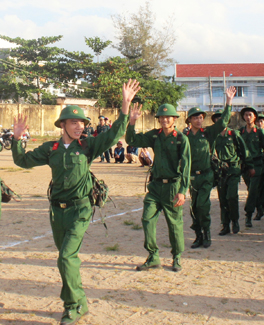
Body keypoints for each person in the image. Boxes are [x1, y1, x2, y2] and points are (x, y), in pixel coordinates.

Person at [11, 79, 140, 325]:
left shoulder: (88, 146)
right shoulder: (52, 149)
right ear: (63, 125)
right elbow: (22, 162)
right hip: (56, 212)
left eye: (82, 122)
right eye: (74, 122)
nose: (79, 126)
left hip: (80, 209)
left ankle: (72, 307)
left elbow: (114, 134)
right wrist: (17, 140)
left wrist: (125, 104)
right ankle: (80, 301)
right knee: (66, 259)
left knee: (66, 258)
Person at [126, 103, 191, 272]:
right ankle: (153, 256)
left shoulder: (181, 139)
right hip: (155, 186)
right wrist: (132, 122)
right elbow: (132, 140)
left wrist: (182, 191)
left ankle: (176, 257)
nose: (164, 120)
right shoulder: (155, 136)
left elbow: (186, 166)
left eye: (167, 117)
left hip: (172, 187)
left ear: (175, 119)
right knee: (147, 219)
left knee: (174, 224)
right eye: (161, 117)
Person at [184, 86, 235, 249]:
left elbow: (224, 121)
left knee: (202, 206)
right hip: (192, 178)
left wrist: (228, 101)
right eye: (195, 118)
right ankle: (198, 236)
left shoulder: (208, 133)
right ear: (189, 121)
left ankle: (207, 234)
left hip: (206, 176)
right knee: (193, 207)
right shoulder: (184, 137)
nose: (199, 120)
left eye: (201, 117)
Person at [213, 110, 254, 235]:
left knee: (231, 196)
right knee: (223, 199)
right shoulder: (214, 136)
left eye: (222, 119)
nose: (220, 121)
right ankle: (225, 225)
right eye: (217, 119)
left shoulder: (234, 134)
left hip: (233, 169)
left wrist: (249, 166)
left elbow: (244, 150)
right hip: (221, 171)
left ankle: (235, 221)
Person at [239, 106, 264, 227]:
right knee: (252, 190)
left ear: (254, 117)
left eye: (250, 115)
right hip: (245, 166)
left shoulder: (260, 132)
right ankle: (259, 208)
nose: (248, 117)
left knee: (253, 190)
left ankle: (248, 215)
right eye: (246, 115)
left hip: (257, 165)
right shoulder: (241, 132)